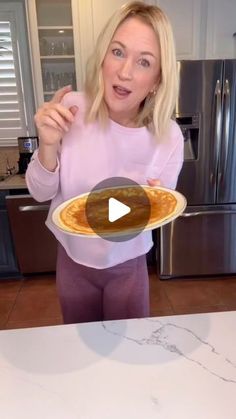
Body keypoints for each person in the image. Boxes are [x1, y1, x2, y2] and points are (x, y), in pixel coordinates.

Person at [26, 1, 184, 324]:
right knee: (82, 350)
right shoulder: (71, 111)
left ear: (157, 78)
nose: (124, 71)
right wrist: (48, 144)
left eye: (144, 62)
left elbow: (161, 210)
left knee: (127, 354)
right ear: (103, 55)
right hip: (73, 263)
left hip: (128, 265)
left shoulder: (169, 137)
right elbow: (40, 193)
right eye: (118, 52)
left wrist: (153, 204)